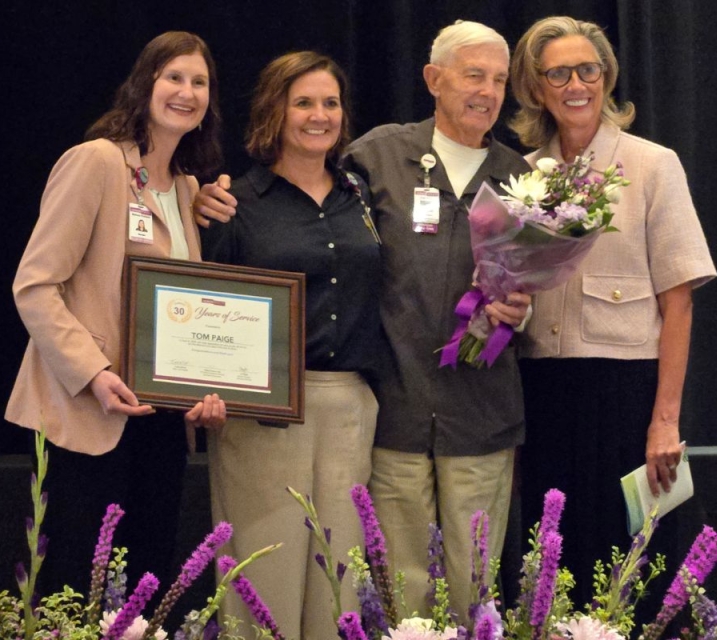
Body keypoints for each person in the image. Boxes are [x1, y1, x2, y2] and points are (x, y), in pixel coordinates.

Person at [196, 22, 531, 620]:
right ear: (433, 79)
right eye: (472, 74)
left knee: (470, 589)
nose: (486, 90)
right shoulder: (376, 159)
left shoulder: (525, 178)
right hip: (391, 413)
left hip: (476, 414)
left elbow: (534, 282)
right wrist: (206, 200)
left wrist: (521, 308)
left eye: (499, 79)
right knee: (393, 590)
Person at [5, 31, 228, 598]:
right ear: (144, 85)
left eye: (199, 82)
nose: (186, 92)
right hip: (90, 412)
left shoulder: (185, 190)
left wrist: (203, 385)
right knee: (74, 589)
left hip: (160, 421)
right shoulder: (96, 162)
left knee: (144, 589)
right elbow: (35, 286)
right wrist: (95, 373)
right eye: (173, 77)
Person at [509, 16, 717, 608]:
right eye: (558, 73)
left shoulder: (653, 164)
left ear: (607, 77)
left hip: (626, 396)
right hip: (544, 392)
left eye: (589, 70)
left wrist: (666, 421)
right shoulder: (523, 176)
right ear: (536, 87)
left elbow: (678, 302)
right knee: (554, 564)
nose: (577, 84)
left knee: (632, 565)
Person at [199, 52, 384, 639]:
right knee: (265, 580)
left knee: (340, 588)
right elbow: (210, 310)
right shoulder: (234, 202)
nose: (319, 115)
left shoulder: (362, 195)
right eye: (303, 101)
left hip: (350, 406)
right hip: (263, 414)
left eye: (330, 102)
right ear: (273, 111)